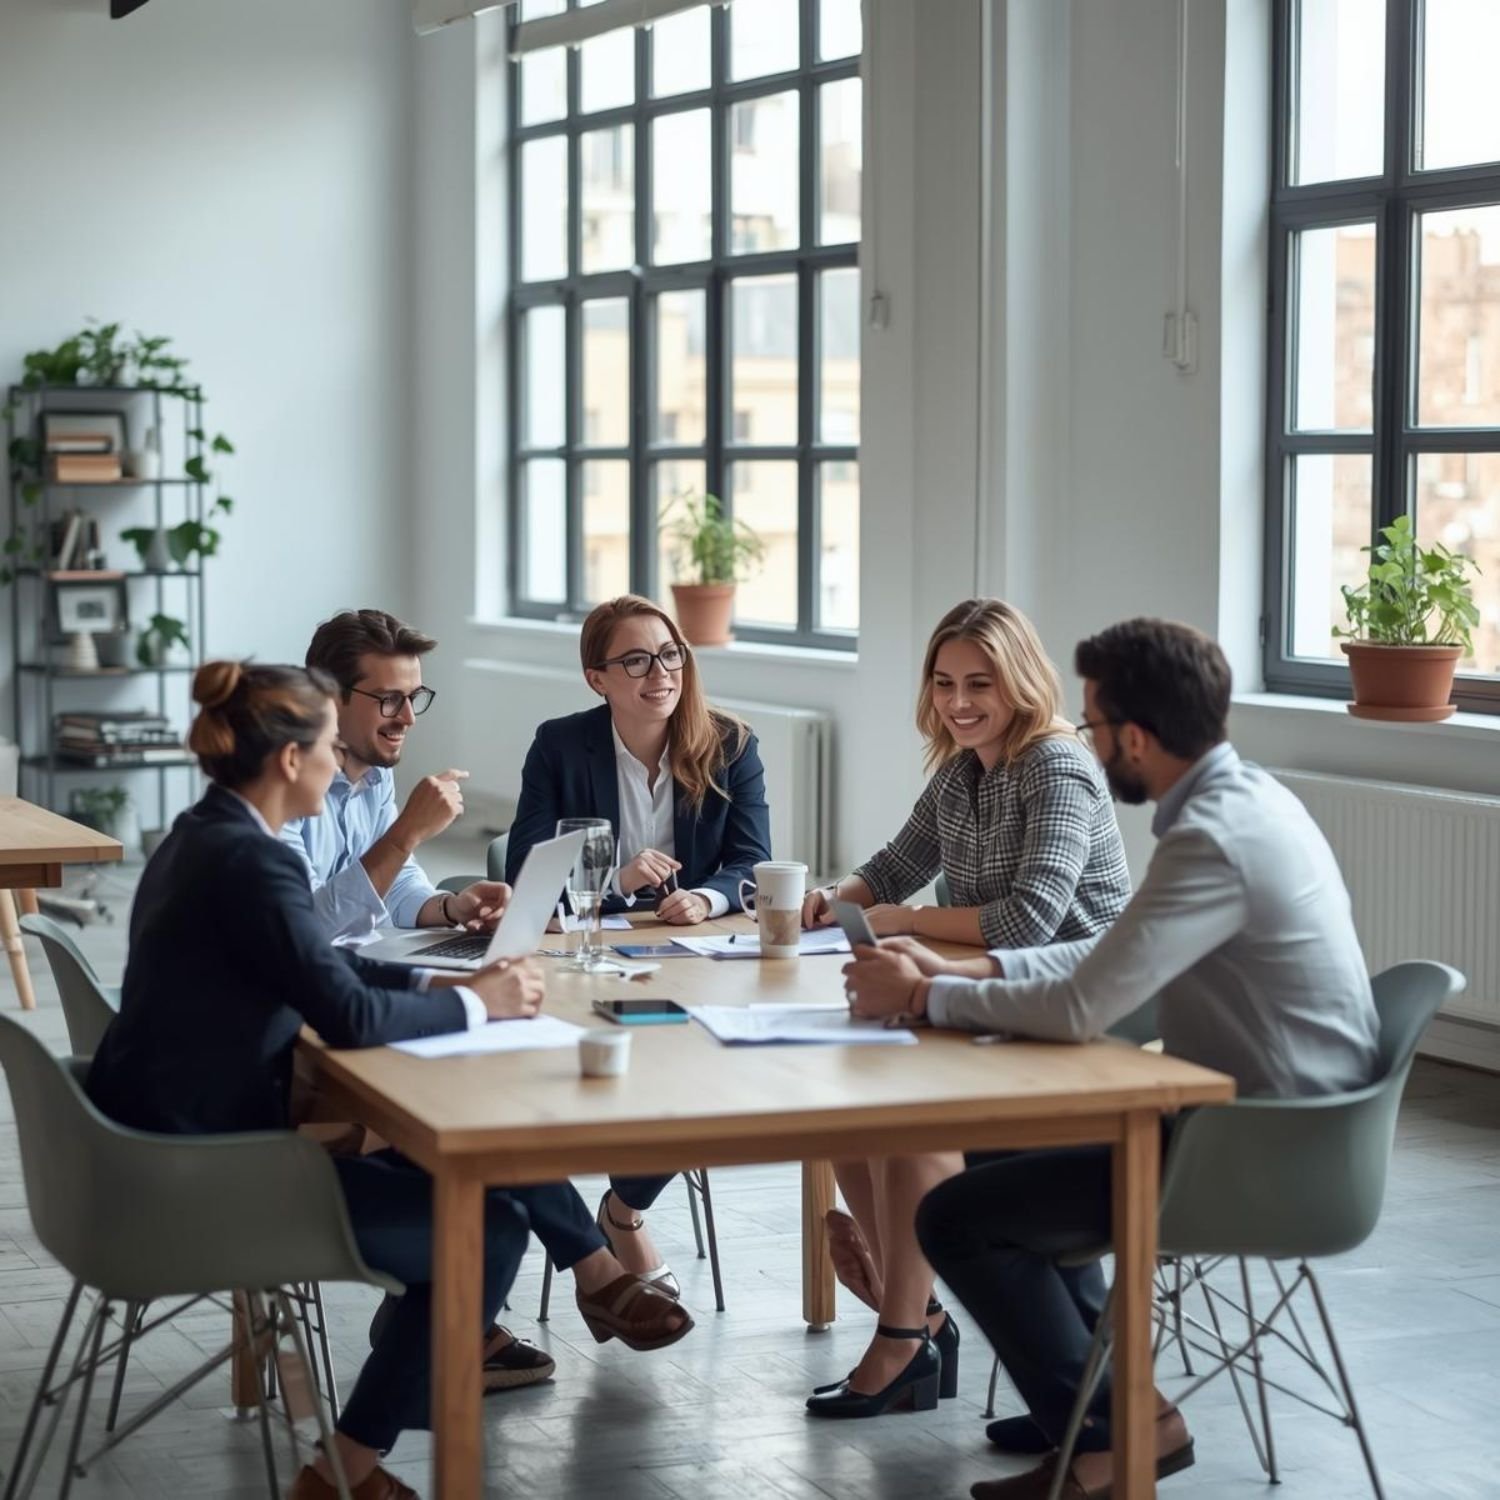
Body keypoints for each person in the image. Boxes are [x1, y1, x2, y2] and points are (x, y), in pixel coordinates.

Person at [87, 662, 693, 1500]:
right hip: (210, 1174)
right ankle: (345, 1470)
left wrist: (446, 991)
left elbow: (320, 980)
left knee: (487, 1191)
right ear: (291, 761)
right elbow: (349, 1018)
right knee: (485, 1235)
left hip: (166, 1141)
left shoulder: (207, 836)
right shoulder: (251, 864)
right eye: (331, 749)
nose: (341, 768)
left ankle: (353, 1462)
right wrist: (477, 1007)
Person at [842, 618, 1380, 1500]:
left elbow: (1091, 1001)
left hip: (1258, 1152)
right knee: (1008, 1162)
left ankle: (1110, 1440)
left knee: (956, 1216)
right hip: (1270, 1124)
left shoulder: (1210, 837)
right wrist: (949, 973)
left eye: (1092, 725)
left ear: (1132, 736)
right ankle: (1107, 1411)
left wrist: (926, 994)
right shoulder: (1245, 800)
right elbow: (1108, 959)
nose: (1087, 743)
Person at [798, 599, 1131, 1420]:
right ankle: (917, 1317)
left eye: (979, 682)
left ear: (1021, 680)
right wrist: (834, 900)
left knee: (908, 1117)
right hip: (993, 1001)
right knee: (850, 1115)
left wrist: (902, 922)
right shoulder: (960, 767)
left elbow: (1028, 920)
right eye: (944, 682)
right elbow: (895, 863)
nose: (959, 701)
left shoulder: (1057, 767)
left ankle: (903, 1336)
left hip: (1079, 1024)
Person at [506, 594, 772, 1294]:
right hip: (588, 960)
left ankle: (622, 1208)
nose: (660, 673)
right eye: (635, 660)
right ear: (598, 678)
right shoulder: (560, 745)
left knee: (707, 1069)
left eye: (669, 654)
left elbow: (752, 860)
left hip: (693, 957)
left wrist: (707, 896)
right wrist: (617, 881)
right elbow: (525, 877)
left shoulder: (731, 744)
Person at [281, 609, 510, 946]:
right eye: (389, 699)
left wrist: (451, 908)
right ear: (328, 698)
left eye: (413, 698)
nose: (407, 718)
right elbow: (309, 929)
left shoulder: (374, 773)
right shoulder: (281, 788)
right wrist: (406, 833)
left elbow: (395, 883)